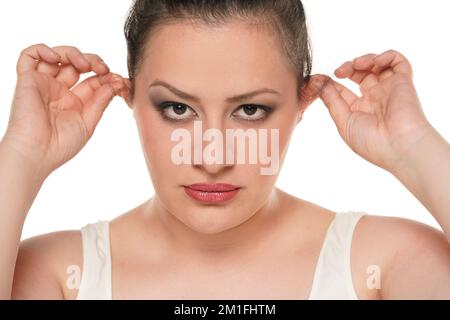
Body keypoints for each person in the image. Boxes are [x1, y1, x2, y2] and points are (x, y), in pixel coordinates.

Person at [0, 0, 449, 300]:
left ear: (304, 103)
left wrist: (415, 147)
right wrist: (21, 155)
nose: (212, 158)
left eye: (250, 110)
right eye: (177, 108)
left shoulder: (385, 262)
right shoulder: (57, 275)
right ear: (129, 97)